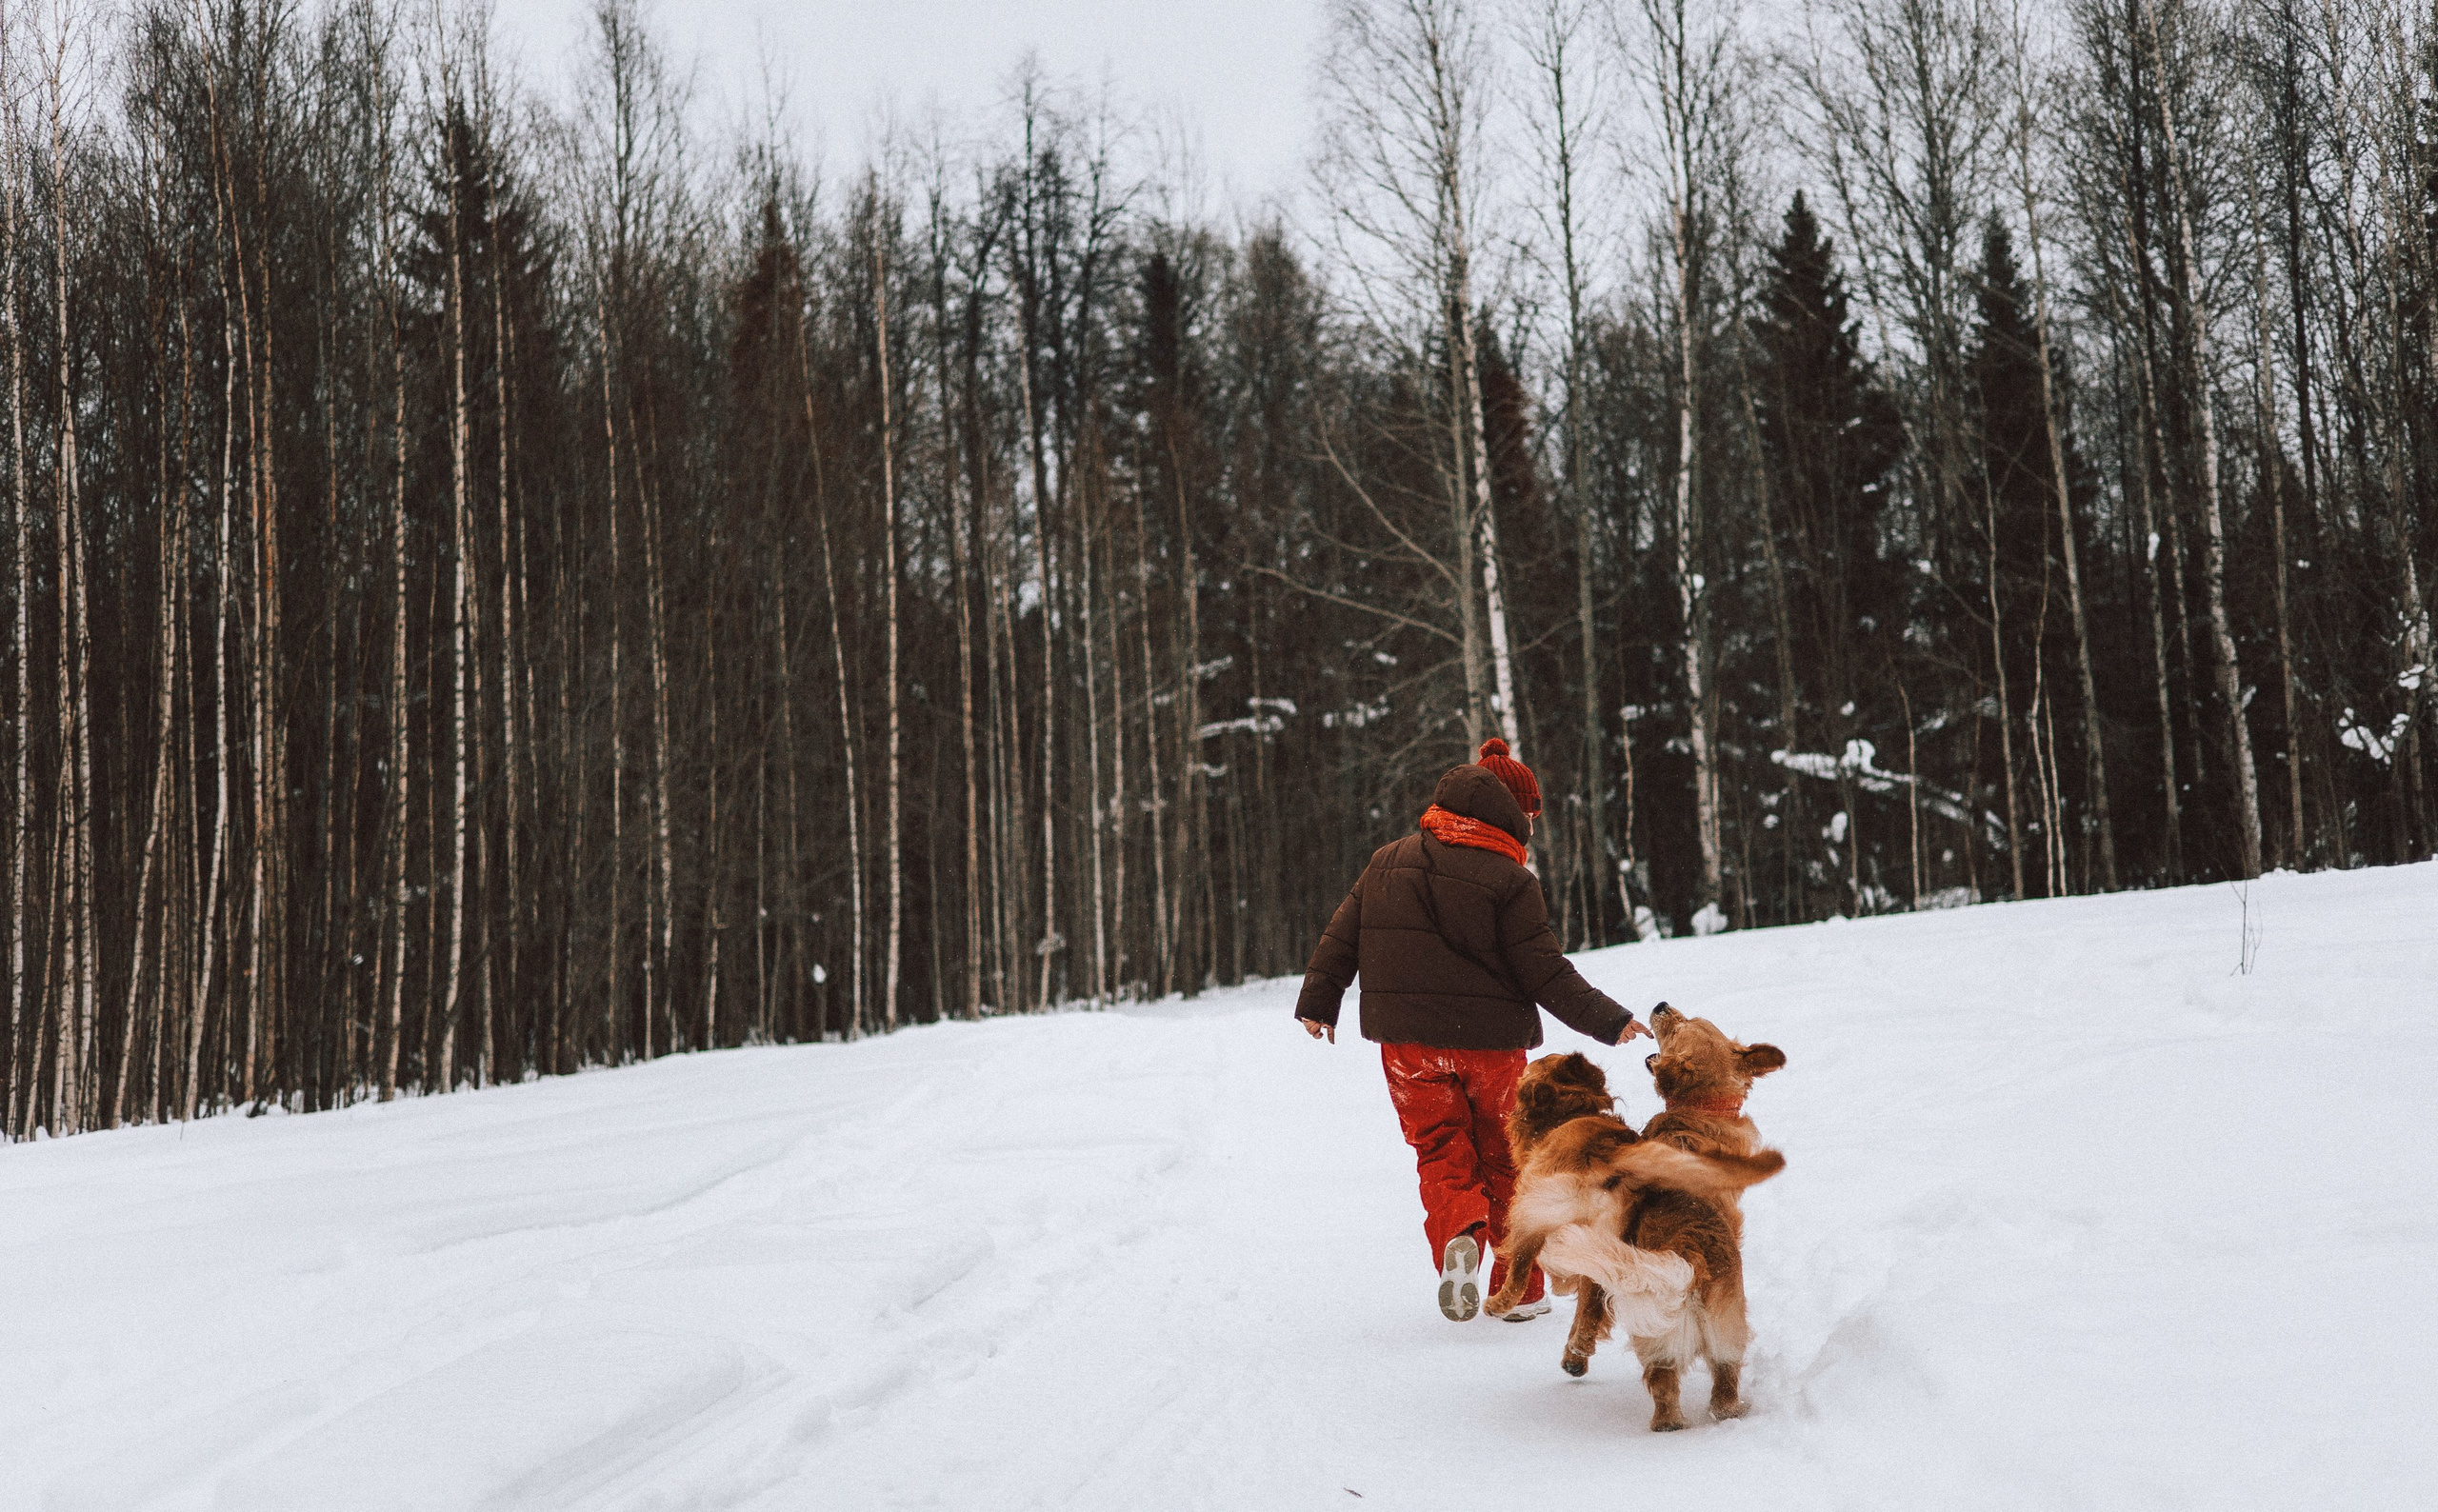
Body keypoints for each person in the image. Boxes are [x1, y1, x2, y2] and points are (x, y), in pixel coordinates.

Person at [1294, 737, 1652, 1323]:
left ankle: (1459, 1230)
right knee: (1508, 1159)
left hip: (1408, 1046)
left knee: (1439, 1148)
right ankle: (1521, 1291)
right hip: (1491, 1048)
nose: (1533, 826)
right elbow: (1545, 971)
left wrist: (1319, 1002)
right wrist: (1609, 1020)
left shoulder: (1387, 860)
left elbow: (1342, 935)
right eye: (1531, 814)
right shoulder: (1511, 882)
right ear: (1511, 812)